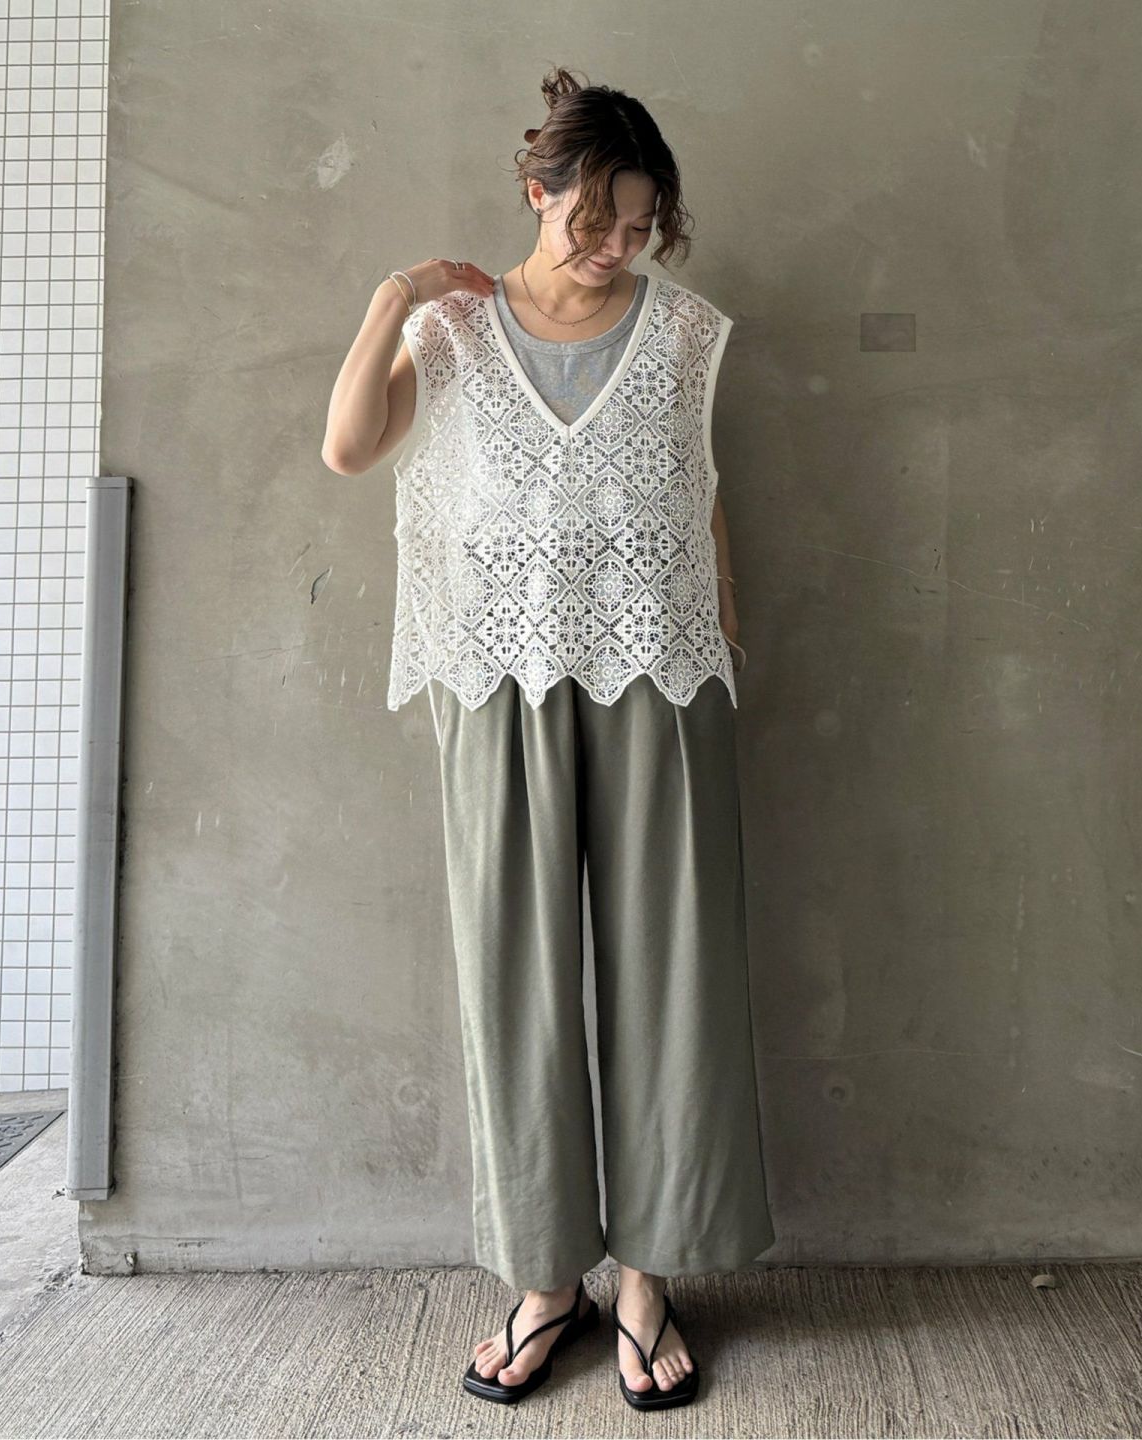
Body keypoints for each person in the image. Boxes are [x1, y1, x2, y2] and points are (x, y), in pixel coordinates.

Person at [322, 65, 776, 1412]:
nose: (615, 246)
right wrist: (397, 294)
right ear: (537, 192)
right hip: (494, 679)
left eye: (638, 225)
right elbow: (349, 448)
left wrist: (721, 620)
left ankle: (648, 1279)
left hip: (660, 676)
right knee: (513, 981)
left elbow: (697, 493)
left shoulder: (684, 335)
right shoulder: (454, 332)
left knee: (672, 979)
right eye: (592, 220)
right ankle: (543, 1279)